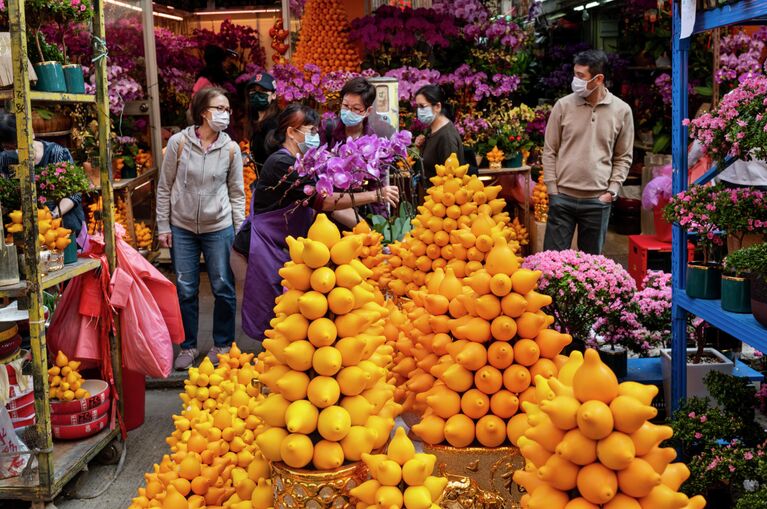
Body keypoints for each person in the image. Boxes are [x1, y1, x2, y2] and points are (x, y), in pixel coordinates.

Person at [242, 103, 399, 343]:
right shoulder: (281, 164)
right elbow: (323, 202)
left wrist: (368, 232)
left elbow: (328, 212)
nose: (315, 137)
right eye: (311, 131)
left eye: (316, 131)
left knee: (288, 316)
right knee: (275, 320)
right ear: (292, 132)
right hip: (258, 249)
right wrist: (375, 195)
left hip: (283, 247)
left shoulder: (305, 162)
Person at [156, 87, 245, 370]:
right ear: (204, 112)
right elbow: (164, 186)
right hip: (182, 227)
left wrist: (239, 231)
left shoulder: (231, 149)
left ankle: (222, 344)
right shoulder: (178, 143)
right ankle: (188, 346)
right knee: (185, 288)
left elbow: (237, 193)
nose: (225, 115)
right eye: (220, 108)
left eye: (227, 109)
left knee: (223, 287)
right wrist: (162, 225)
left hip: (219, 227)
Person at [542, 49, 634, 255]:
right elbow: (549, 150)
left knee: (591, 267)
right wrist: (552, 189)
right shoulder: (563, 106)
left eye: (580, 76)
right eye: (575, 74)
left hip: (597, 201)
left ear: (598, 78)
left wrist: (612, 191)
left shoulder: (621, 111)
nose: (575, 80)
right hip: (562, 198)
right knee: (550, 264)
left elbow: (623, 156)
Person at [0, 112, 85, 238]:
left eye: (19, 144)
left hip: (62, 226)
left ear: (30, 133)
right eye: (10, 147)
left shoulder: (57, 153)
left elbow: (75, 193)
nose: (17, 150)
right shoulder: (4, 159)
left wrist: (53, 214)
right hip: (21, 227)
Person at [321, 76, 395, 147]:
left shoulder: (375, 135)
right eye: (345, 105)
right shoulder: (327, 128)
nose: (348, 112)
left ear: (368, 111)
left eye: (356, 108)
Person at [413, 84, 465, 179]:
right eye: (417, 107)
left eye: (422, 106)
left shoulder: (446, 136)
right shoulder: (431, 130)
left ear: (437, 106)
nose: (419, 111)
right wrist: (421, 147)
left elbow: (450, 178)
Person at [246, 72, 280, 169]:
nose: (257, 95)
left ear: (273, 95)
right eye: (253, 91)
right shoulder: (254, 120)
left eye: (263, 91)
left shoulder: (275, 123)